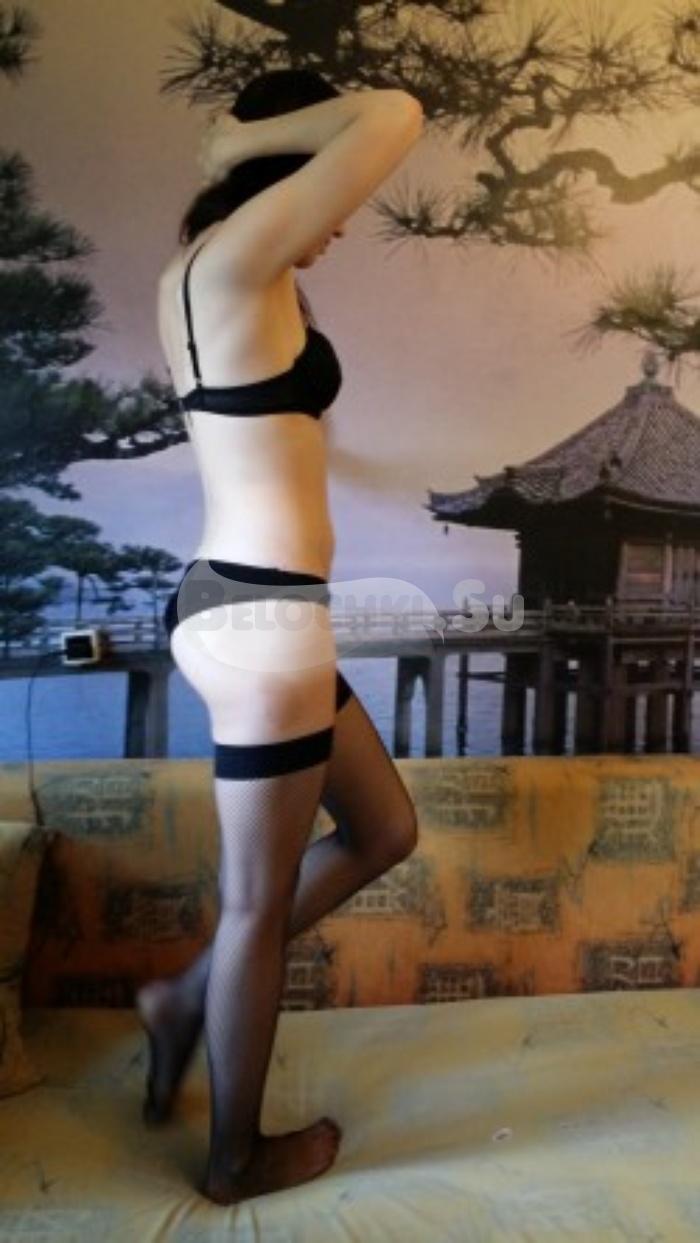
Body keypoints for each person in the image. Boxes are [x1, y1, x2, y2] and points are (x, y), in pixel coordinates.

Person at [138, 69, 424, 1206]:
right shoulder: (237, 263)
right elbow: (394, 113)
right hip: (262, 620)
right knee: (258, 908)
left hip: (241, 606)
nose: (341, 219)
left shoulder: (205, 271)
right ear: (284, 167)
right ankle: (233, 1160)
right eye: (327, 189)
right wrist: (231, 145)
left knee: (385, 827)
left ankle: (180, 998)